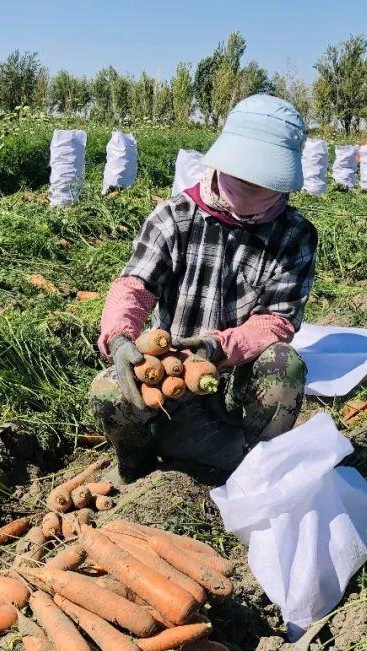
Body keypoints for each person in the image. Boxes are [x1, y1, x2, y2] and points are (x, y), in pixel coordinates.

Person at [89, 95, 318, 481]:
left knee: (285, 364)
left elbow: (277, 322)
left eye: (261, 186)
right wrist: (119, 337)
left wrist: (217, 347)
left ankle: (251, 470)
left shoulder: (294, 235)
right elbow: (134, 286)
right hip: (169, 368)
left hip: (236, 375)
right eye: (241, 180)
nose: (248, 193)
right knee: (108, 391)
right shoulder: (174, 217)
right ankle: (138, 467)